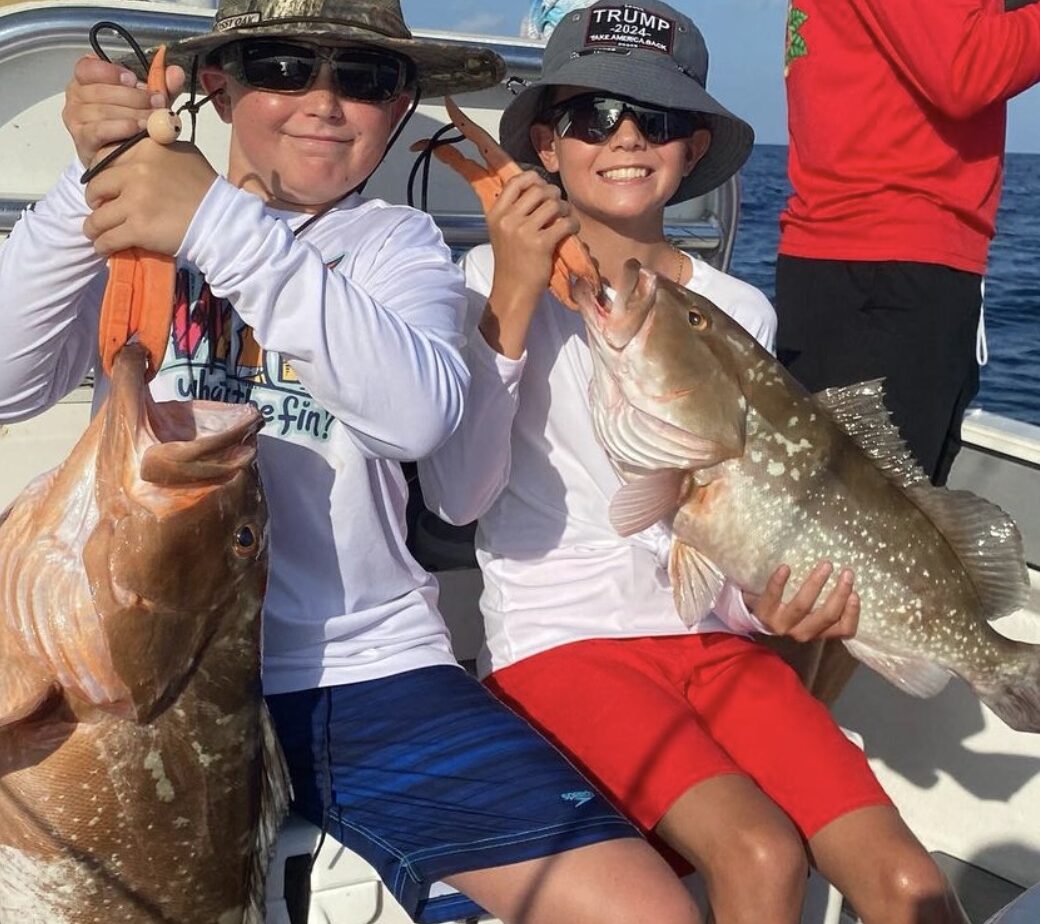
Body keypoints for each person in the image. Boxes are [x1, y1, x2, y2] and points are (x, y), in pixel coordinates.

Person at [0, 2, 702, 923]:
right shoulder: (125, 225)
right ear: (219, 86)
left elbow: (420, 414)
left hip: (362, 674)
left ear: (398, 110)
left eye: (364, 80)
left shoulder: (394, 247)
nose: (324, 102)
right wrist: (93, 183)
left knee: (647, 913)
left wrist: (214, 222)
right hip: (96, 669)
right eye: (283, 66)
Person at [419, 2, 969, 922]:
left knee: (911, 885)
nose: (627, 138)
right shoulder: (480, 284)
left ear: (691, 148)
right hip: (563, 644)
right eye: (596, 116)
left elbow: (735, 525)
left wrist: (771, 603)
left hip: (716, 646)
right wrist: (514, 289)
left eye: (659, 120)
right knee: (759, 850)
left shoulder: (735, 310)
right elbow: (459, 495)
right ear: (547, 145)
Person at [774, 0, 1040, 703]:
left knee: (847, 542)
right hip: (893, 266)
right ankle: (778, 759)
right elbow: (968, 68)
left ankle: (789, 747)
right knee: (850, 550)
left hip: (857, 267)